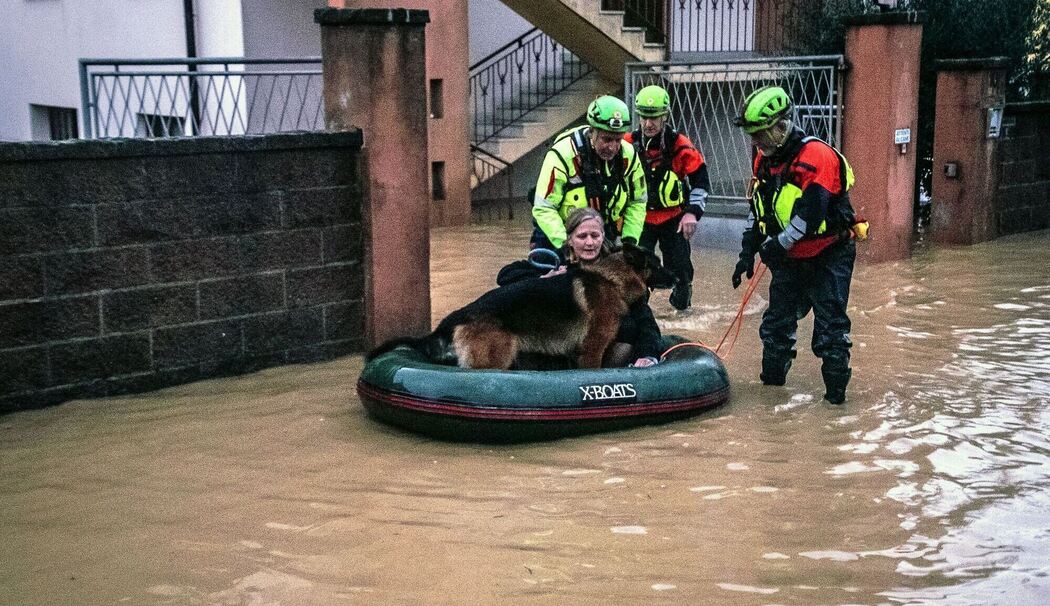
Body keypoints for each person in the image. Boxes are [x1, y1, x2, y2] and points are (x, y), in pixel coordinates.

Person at [731, 85, 859, 405]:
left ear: (781, 125)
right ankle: (771, 400)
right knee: (776, 325)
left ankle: (835, 405)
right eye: (752, 135)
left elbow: (811, 214)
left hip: (829, 253)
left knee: (830, 328)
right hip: (790, 255)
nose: (755, 142)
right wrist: (747, 252)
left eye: (760, 134)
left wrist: (780, 243)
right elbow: (758, 209)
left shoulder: (817, 157)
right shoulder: (765, 159)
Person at [499, 207, 662, 369]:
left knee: (629, 326)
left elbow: (645, 321)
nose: (589, 242)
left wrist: (647, 355)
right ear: (570, 239)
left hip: (603, 352)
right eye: (582, 236)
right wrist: (544, 280)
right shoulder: (555, 262)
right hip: (558, 346)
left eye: (595, 236)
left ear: (603, 236)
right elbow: (505, 275)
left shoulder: (622, 271)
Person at [624, 84, 711, 311]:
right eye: (644, 116)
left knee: (681, 272)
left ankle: (682, 308)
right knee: (635, 273)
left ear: (664, 115)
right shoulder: (627, 144)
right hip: (639, 218)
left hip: (673, 218)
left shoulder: (680, 145)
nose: (648, 123)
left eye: (654, 117)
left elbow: (701, 182)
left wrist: (692, 212)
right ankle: (639, 314)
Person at [530, 95, 648, 258]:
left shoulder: (628, 156)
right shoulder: (563, 154)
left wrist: (629, 243)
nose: (612, 147)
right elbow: (544, 207)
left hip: (601, 233)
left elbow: (638, 202)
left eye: (618, 140)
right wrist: (566, 245)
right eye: (606, 139)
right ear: (592, 131)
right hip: (557, 236)